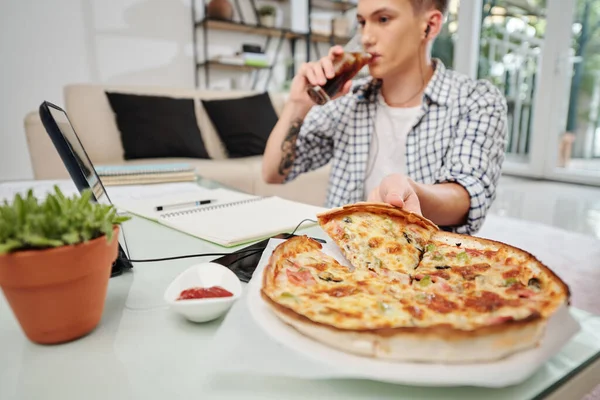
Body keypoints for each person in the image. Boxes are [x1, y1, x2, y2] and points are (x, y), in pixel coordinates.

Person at [261, 0, 508, 235]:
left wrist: (409, 192)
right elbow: (274, 173)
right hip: (340, 257)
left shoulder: (476, 99)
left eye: (383, 19)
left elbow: (465, 199)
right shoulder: (350, 99)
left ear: (429, 25)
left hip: (422, 266)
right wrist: (298, 105)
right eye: (362, 22)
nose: (366, 37)